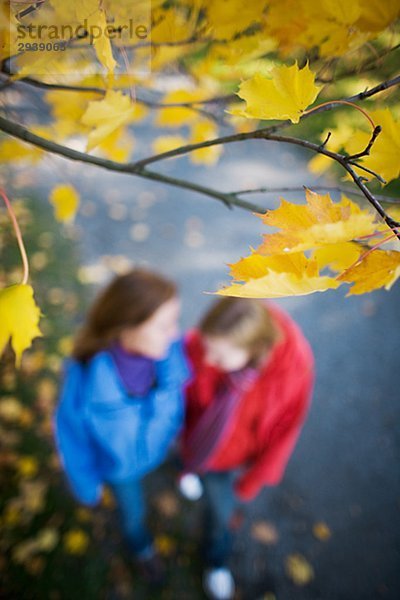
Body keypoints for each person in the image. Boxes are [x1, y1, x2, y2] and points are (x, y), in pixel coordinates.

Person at [54, 269, 189, 583]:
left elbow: (177, 397)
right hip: (121, 470)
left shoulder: (170, 355)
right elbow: (74, 442)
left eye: (175, 321)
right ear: (127, 326)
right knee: (133, 513)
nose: (175, 334)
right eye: (164, 325)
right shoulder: (85, 382)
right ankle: (142, 547)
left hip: (157, 447)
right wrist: (87, 488)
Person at [181, 297, 314, 600]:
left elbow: (287, 428)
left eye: (220, 356)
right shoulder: (205, 345)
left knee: (222, 515)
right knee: (194, 469)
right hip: (196, 439)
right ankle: (188, 470)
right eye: (206, 347)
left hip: (229, 458)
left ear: (253, 352)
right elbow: (183, 381)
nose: (208, 359)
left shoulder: (293, 368)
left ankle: (215, 561)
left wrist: (253, 479)